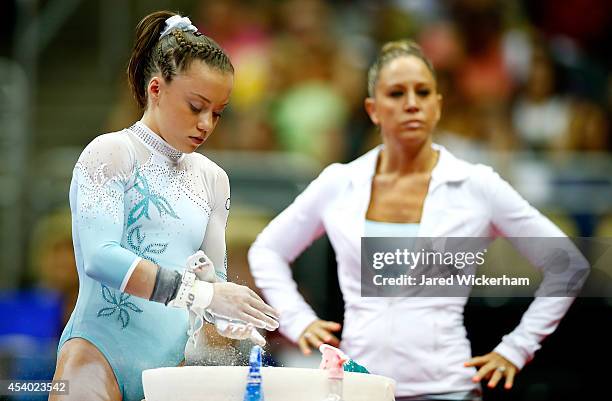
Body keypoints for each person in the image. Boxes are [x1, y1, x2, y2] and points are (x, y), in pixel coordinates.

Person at [248, 40, 587, 400]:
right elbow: (266, 250)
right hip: (360, 387)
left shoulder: (476, 185)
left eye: (423, 92)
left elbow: (567, 264)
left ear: (437, 106)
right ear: (373, 109)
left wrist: (516, 349)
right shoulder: (340, 182)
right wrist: (298, 320)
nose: (412, 103)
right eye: (396, 93)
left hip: (447, 388)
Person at [50, 11, 279, 401]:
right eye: (196, 106)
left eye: (218, 112)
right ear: (156, 89)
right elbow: (101, 259)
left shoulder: (212, 178)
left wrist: (225, 313)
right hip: (94, 354)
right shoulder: (110, 153)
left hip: (168, 368)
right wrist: (199, 295)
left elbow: (213, 279)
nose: (207, 123)